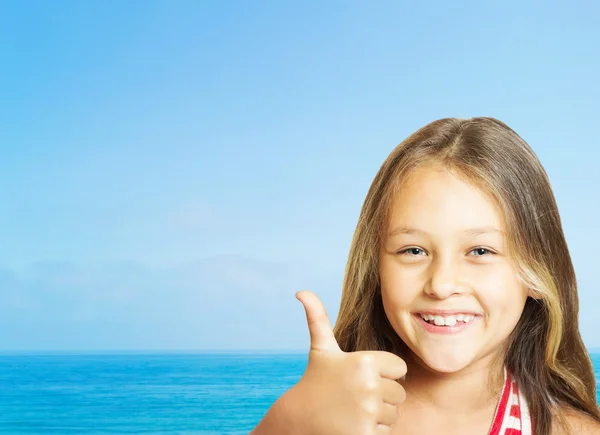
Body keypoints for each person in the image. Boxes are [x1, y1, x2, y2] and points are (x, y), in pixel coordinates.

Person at [250, 117, 600, 435]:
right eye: (413, 251)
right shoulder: (321, 421)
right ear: (374, 269)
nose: (442, 285)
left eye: (481, 251)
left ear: (538, 274)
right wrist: (286, 423)